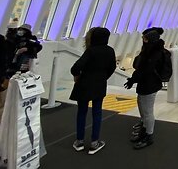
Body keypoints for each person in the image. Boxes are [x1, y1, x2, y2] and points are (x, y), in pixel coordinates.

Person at [69, 27, 116, 155]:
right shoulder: (110, 51)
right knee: (97, 113)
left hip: (84, 85)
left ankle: (79, 141)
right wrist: (103, 77)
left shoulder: (91, 51)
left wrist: (77, 76)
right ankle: (94, 143)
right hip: (99, 85)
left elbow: (76, 67)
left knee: (81, 112)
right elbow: (112, 67)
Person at [124, 28, 165, 149]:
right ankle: (145, 131)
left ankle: (149, 135)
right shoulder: (150, 51)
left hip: (150, 85)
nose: (143, 40)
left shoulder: (154, 53)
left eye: (145, 38)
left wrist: (133, 80)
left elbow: (144, 69)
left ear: (150, 40)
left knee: (147, 111)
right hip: (145, 84)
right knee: (142, 106)